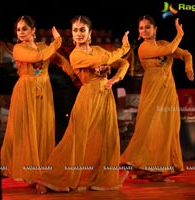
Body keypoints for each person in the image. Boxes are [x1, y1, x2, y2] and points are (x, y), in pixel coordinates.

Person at [35, 15, 130, 194]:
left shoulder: (98, 50)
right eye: (75, 30)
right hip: (88, 97)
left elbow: (123, 63)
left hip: (106, 97)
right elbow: (108, 60)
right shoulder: (76, 55)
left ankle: (99, 179)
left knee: (106, 139)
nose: (78, 34)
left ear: (90, 33)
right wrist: (125, 47)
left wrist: (116, 78)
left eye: (82, 30)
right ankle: (50, 178)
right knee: (75, 140)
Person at [0, 15, 80, 191]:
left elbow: (59, 60)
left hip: (44, 92)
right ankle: (2, 171)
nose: (21, 32)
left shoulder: (43, 46)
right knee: (20, 133)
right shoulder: (18, 49)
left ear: (33, 30)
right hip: (25, 92)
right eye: (18, 29)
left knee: (43, 132)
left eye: (24, 29)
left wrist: (73, 75)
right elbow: (38, 56)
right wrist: (58, 41)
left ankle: (41, 175)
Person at [120, 15, 194, 182]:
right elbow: (169, 51)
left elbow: (186, 54)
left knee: (168, 129)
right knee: (149, 128)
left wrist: (189, 68)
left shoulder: (163, 43)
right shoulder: (143, 48)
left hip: (168, 93)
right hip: (152, 93)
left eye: (147, 27)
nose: (144, 30)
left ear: (155, 29)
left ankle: (155, 170)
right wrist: (180, 34)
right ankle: (139, 165)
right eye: (141, 28)